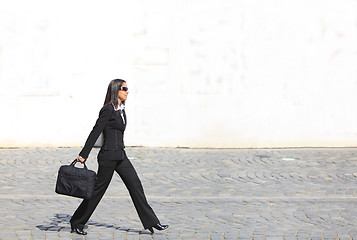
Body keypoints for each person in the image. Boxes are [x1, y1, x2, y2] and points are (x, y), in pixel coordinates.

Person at [70, 79, 168, 235]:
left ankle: (152, 221)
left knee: (135, 185)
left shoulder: (121, 110)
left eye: (127, 88)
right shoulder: (108, 110)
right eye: (124, 88)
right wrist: (84, 154)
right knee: (97, 191)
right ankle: (77, 222)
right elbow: (95, 131)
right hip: (108, 157)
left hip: (121, 156)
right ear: (116, 90)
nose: (127, 91)